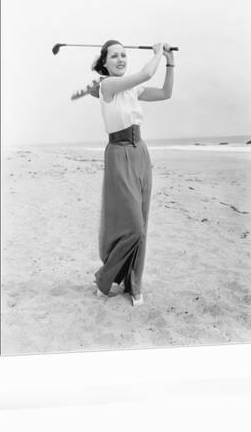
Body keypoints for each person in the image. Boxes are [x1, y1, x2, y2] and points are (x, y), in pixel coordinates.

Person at [92, 39, 175, 306]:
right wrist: (158, 52)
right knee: (133, 227)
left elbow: (165, 93)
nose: (121, 60)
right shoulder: (107, 85)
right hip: (118, 153)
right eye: (114, 56)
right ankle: (105, 278)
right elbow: (148, 72)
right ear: (104, 63)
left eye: (124, 55)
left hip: (140, 152)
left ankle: (134, 284)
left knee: (142, 220)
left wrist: (170, 61)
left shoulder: (133, 88)